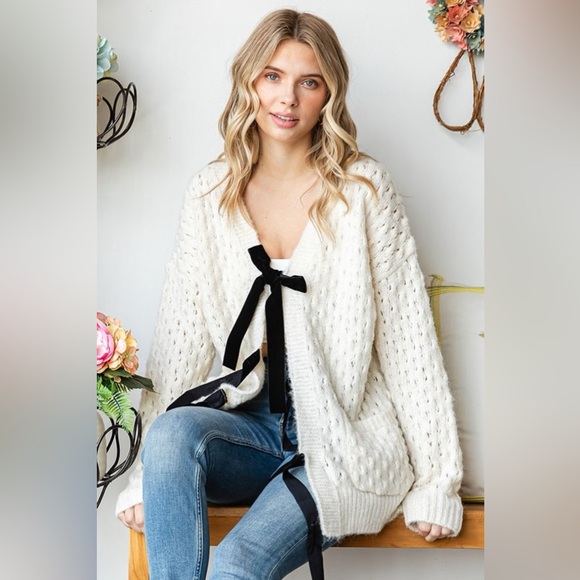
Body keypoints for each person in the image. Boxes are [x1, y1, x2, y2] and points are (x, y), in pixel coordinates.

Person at [116, 8, 464, 579]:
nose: (288, 98)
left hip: (343, 445)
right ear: (249, 82)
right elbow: (181, 340)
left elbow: (409, 344)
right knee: (174, 433)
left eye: (310, 82)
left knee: (235, 567)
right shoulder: (209, 196)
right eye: (273, 76)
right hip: (247, 432)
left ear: (330, 95)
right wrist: (143, 476)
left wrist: (437, 480)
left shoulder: (363, 191)